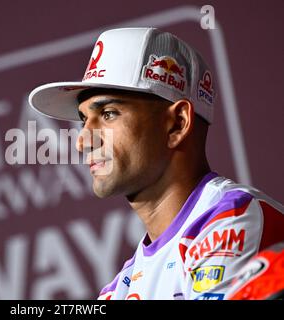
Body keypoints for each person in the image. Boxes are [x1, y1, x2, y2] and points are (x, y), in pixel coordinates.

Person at [28, 27, 284, 300]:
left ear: (177, 124)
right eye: (83, 120)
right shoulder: (120, 289)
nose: (83, 141)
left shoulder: (232, 218)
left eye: (109, 113)